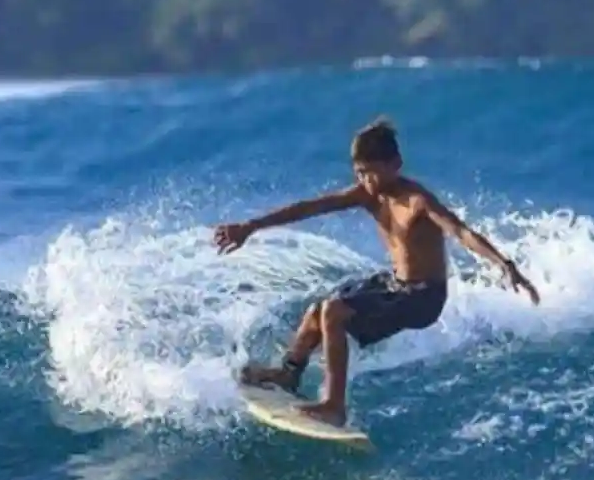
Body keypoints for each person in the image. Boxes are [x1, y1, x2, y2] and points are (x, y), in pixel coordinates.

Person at [213, 117, 541, 426]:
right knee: (316, 312)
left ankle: (334, 406)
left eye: (370, 172)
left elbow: (460, 231)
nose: (364, 181)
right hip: (395, 284)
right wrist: (251, 226)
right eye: (358, 173)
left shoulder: (417, 200)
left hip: (424, 296)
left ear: (395, 165)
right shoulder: (367, 194)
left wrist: (503, 264)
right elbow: (310, 207)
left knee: (334, 312)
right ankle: (289, 373)